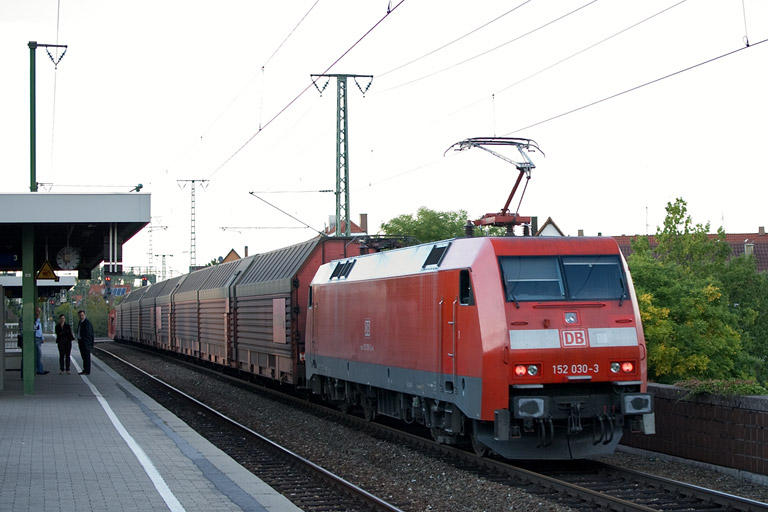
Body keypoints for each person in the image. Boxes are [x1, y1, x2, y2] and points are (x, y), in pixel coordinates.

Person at [76, 310, 94, 375]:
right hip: (81, 342)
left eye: (82, 315)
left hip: (85, 343)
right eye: (80, 315)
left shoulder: (87, 323)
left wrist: (87, 343)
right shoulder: (80, 322)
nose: (81, 316)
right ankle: (85, 369)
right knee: (84, 357)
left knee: (86, 357)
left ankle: (87, 370)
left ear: (84, 315)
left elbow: (89, 334)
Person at [34, 308, 49, 375]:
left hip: (39, 337)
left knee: (39, 355)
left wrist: (42, 337)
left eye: (39, 312)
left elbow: (40, 329)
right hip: (36, 338)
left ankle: (40, 369)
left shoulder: (38, 320)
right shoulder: (34, 320)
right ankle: (39, 370)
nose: (39, 313)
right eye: (38, 312)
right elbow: (35, 328)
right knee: (38, 355)